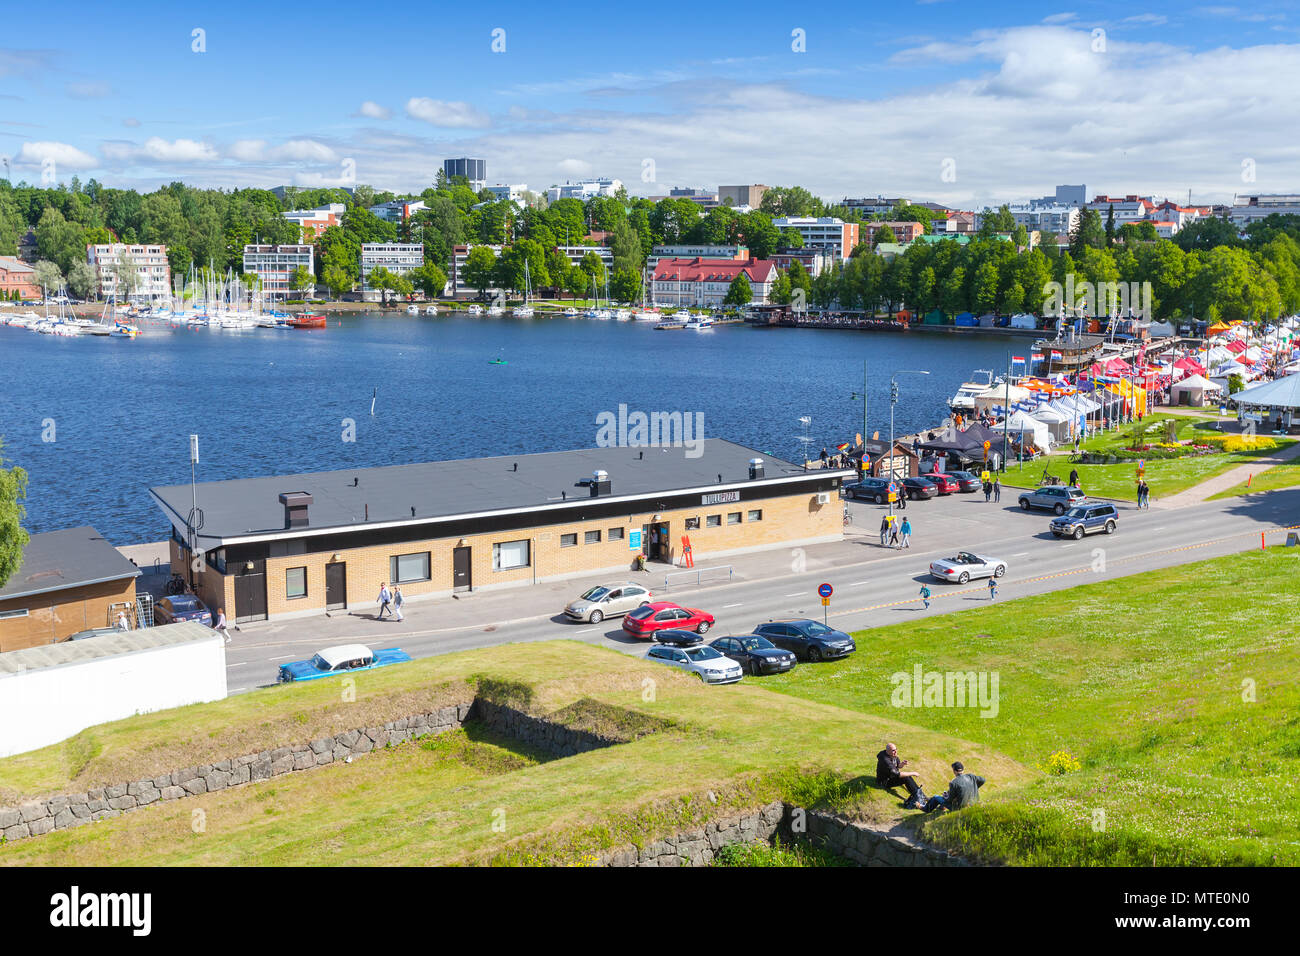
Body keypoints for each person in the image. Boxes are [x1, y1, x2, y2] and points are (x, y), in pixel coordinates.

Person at [876, 742, 926, 808]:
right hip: (884, 781)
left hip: (891, 776)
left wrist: (902, 764)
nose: (895, 751)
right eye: (893, 750)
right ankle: (918, 796)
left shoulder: (893, 755)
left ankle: (920, 795)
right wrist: (913, 773)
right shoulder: (885, 760)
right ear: (887, 751)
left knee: (907, 777)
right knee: (906, 777)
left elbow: (897, 766)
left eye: (896, 749)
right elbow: (897, 774)